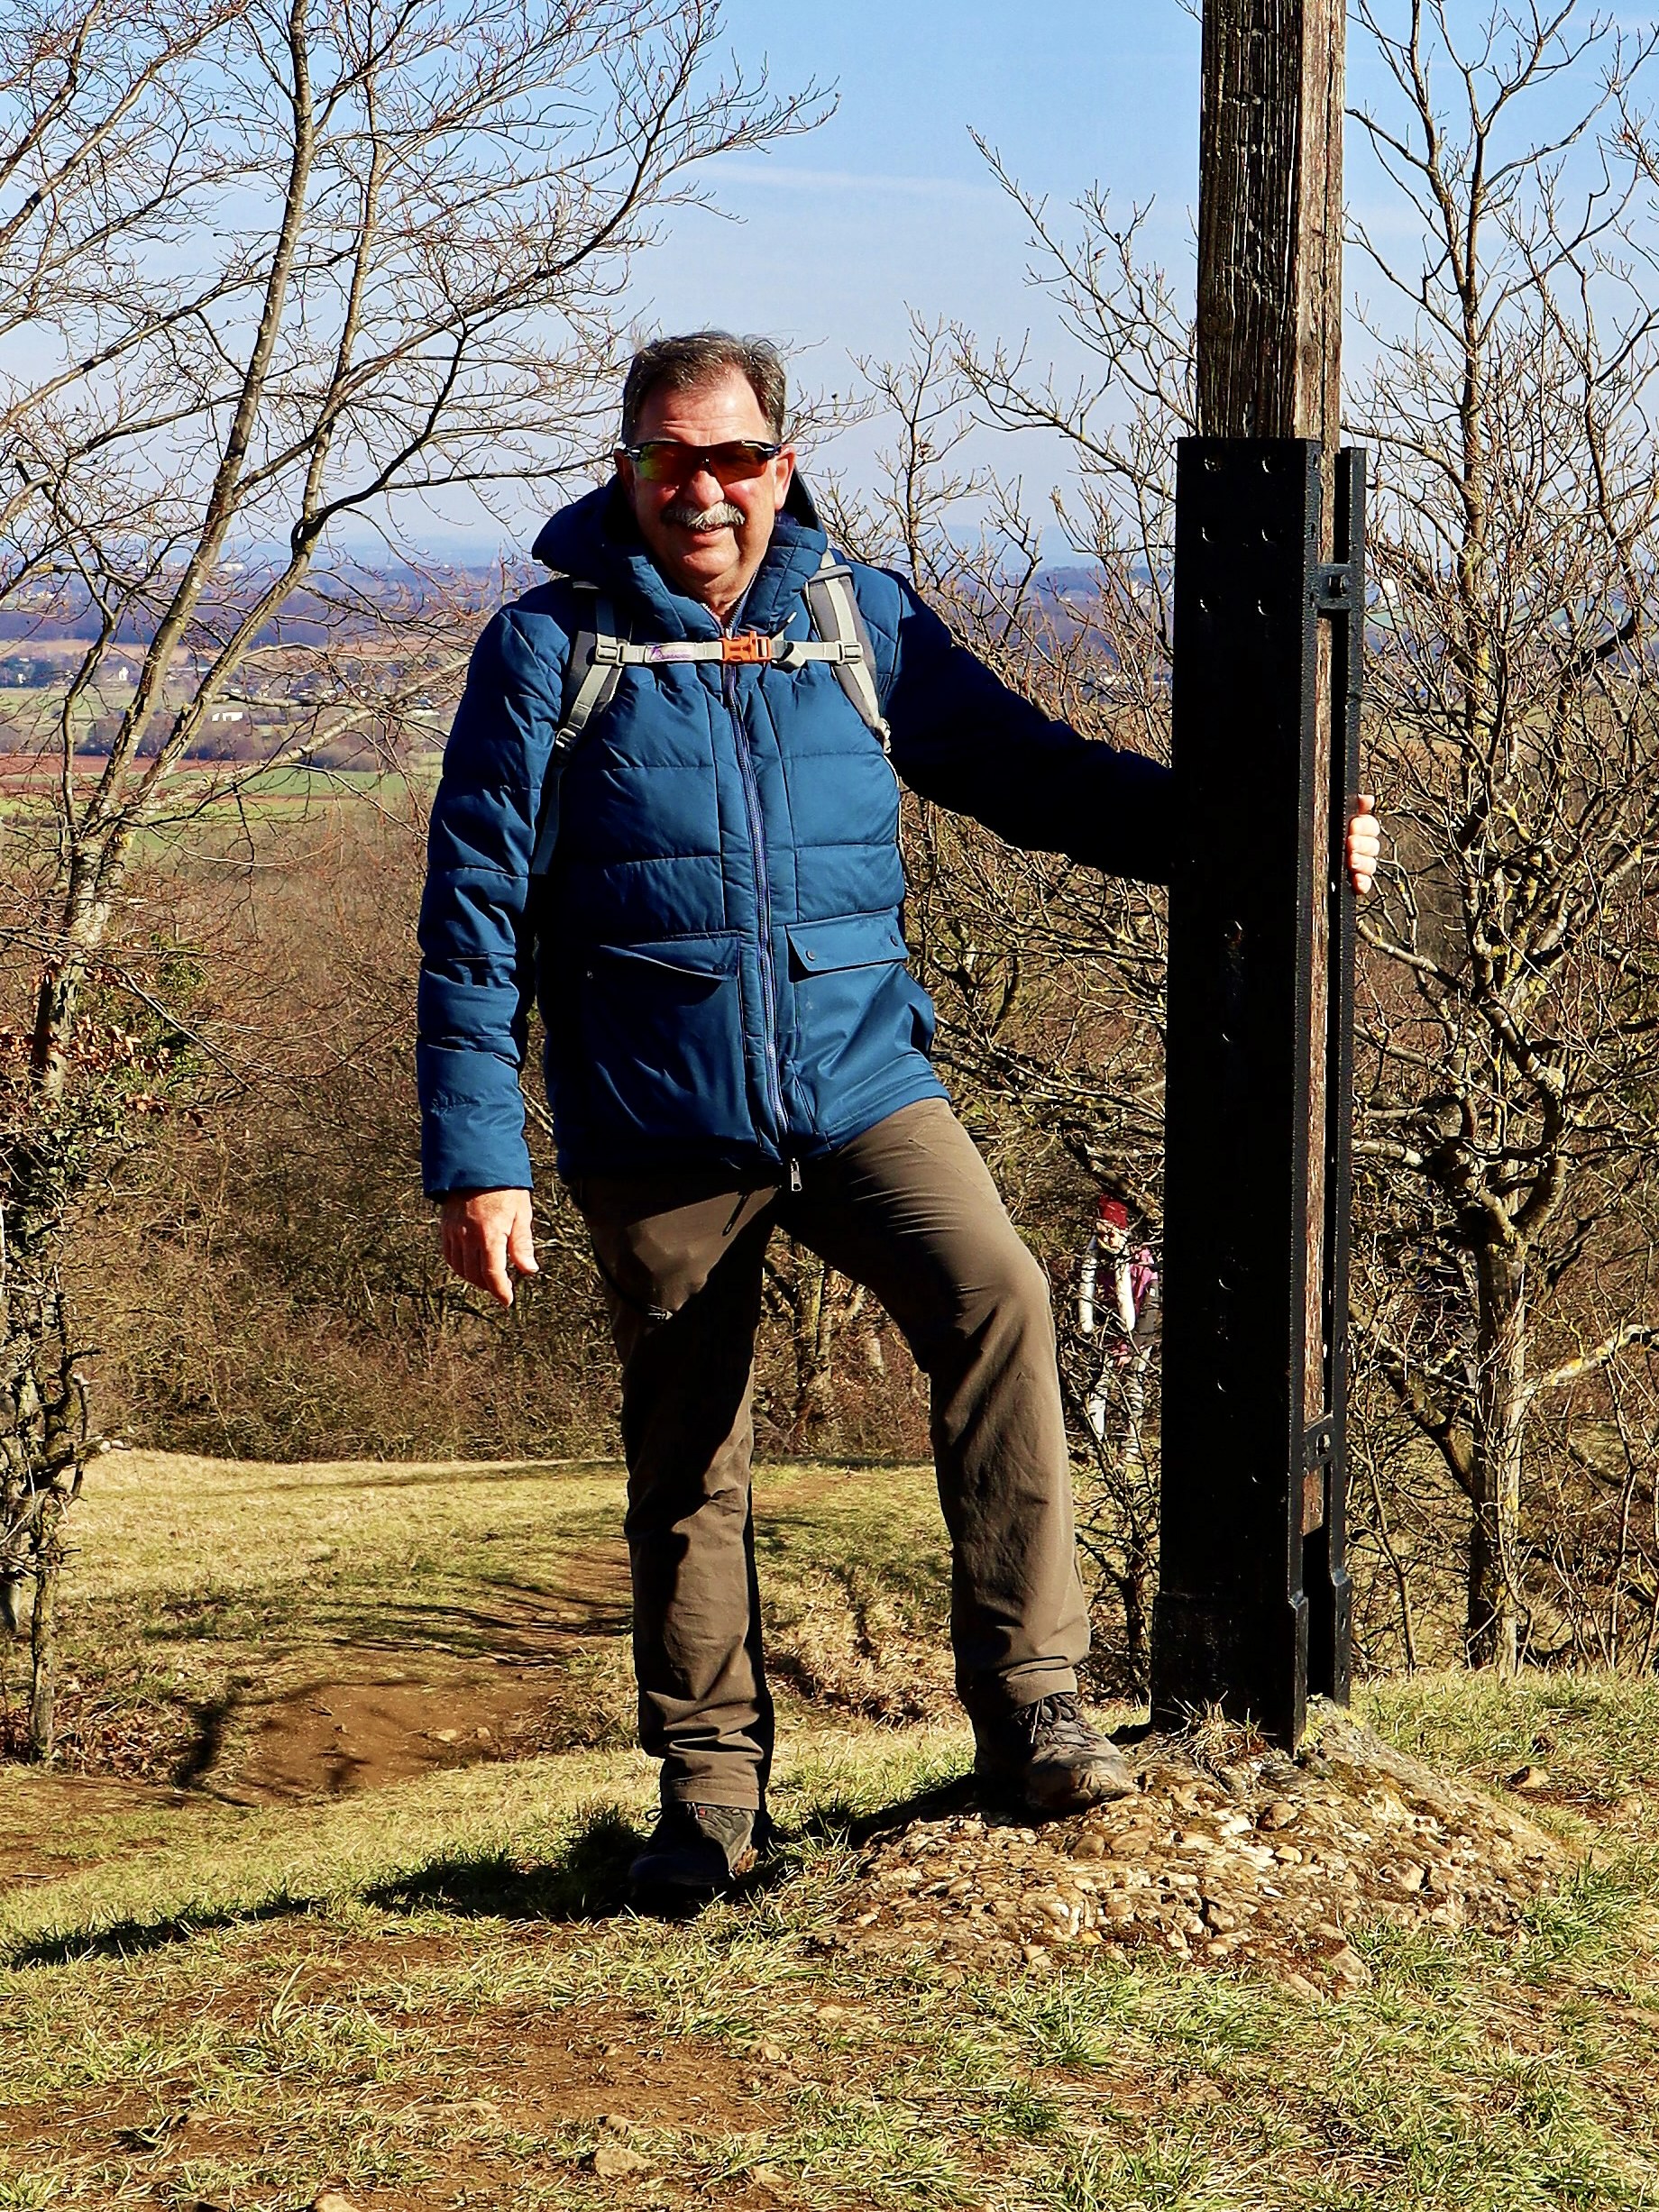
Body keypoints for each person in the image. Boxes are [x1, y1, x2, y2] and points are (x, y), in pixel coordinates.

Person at [417, 331, 1382, 1903]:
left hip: (864, 1082)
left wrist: (1269, 831)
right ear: (627, 472)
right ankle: (711, 1804)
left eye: (733, 458)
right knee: (689, 1453)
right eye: (671, 460)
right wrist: (479, 1158)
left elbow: (1037, 775)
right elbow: (470, 918)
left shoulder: (857, 619)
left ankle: (1033, 1712)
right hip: (657, 1119)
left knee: (1000, 1298)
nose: (704, 491)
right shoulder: (546, 650)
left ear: (780, 464)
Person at [1077, 1197, 1159, 1451]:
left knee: (1133, 1387)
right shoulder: (1094, 1261)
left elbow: (1150, 1309)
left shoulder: (1142, 1259)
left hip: (1139, 1336)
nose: (1105, 1239)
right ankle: (1095, 1445)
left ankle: (1131, 1447)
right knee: (1098, 1388)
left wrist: (1130, 1347)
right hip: (1108, 1336)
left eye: (1109, 1233)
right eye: (1100, 1233)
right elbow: (1094, 1301)